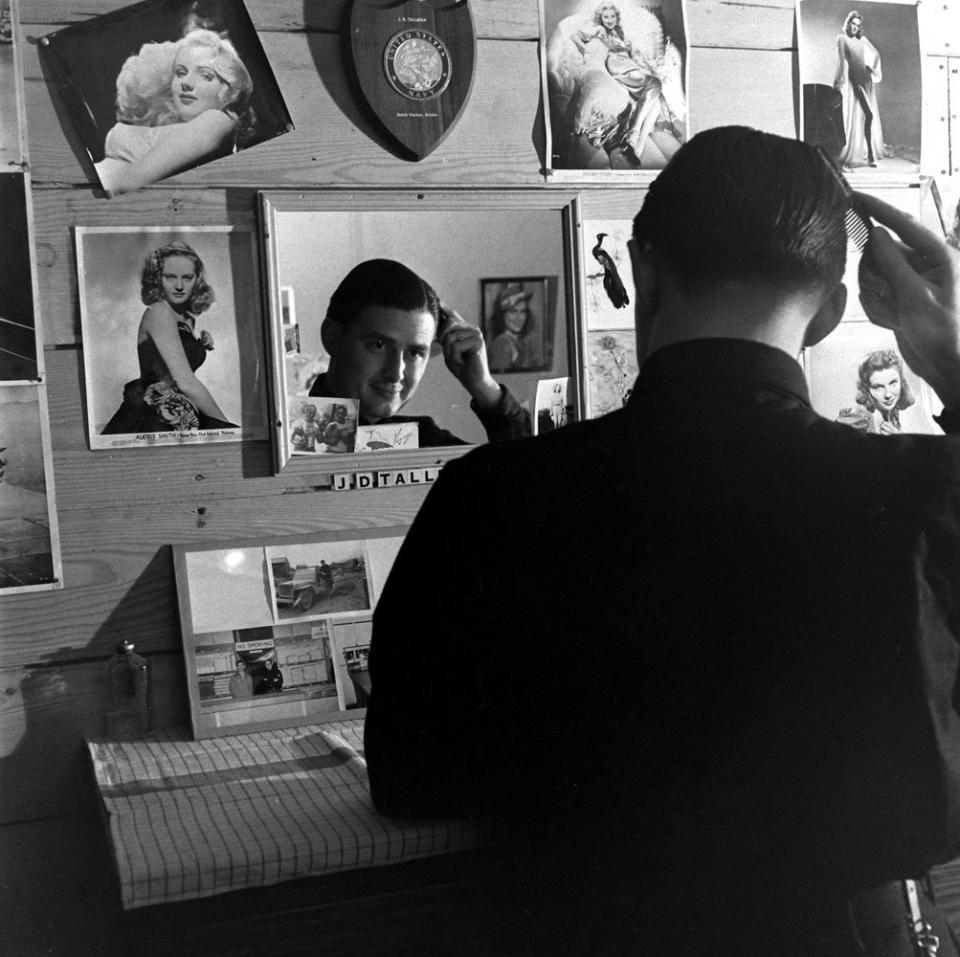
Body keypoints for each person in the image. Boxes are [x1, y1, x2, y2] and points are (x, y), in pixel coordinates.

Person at [364, 126, 960, 955]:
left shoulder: (487, 497)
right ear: (830, 310)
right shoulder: (921, 493)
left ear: (641, 270)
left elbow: (409, 774)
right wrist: (949, 357)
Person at [308, 259, 530, 447]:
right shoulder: (286, 441)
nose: (396, 373)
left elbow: (536, 480)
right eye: (379, 345)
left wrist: (485, 388)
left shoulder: (426, 442)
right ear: (332, 339)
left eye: (414, 353)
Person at [95, 25, 254, 197]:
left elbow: (130, 183)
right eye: (180, 72)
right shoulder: (183, 126)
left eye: (206, 75)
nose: (186, 82)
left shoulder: (218, 120)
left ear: (228, 90)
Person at [102, 240, 237, 435]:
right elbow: (185, 382)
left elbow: (178, 363)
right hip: (150, 415)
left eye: (187, 278)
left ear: (197, 280)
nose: (179, 286)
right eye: (170, 277)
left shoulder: (187, 319)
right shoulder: (159, 312)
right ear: (157, 279)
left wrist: (199, 345)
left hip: (179, 410)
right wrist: (227, 428)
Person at [552, 2, 685, 169]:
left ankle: (637, 145)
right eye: (605, 17)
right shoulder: (599, 30)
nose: (609, 20)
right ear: (600, 18)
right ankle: (635, 132)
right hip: (616, 63)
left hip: (628, 64)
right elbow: (575, 36)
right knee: (654, 84)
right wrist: (583, 50)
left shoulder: (620, 33)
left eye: (612, 16)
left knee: (656, 100)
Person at [834, 10, 884, 169]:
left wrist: (872, 68)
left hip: (866, 78)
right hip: (854, 79)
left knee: (867, 116)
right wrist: (837, 82)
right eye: (853, 24)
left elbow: (876, 54)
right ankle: (869, 154)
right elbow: (841, 62)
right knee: (868, 114)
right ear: (848, 23)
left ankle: (869, 151)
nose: (855, 27)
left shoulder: (862, 39)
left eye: (858, 25)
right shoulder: (841, 39)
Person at [841, 349, 917, 434]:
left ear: (901, 382)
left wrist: (898, 436)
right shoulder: (860, 418)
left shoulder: (892, 414)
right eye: (878, 387)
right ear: (866, 389)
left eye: (893, 382)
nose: (888, 394)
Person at [486, 284, 536, 372]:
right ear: (502, 315)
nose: (519, 317)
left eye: (522, 311)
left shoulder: (519, 341)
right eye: (513, 311)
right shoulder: (502, 344)